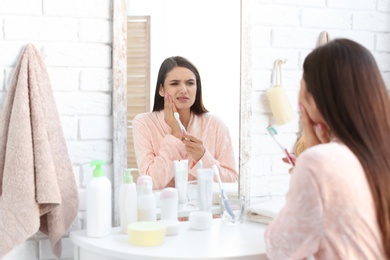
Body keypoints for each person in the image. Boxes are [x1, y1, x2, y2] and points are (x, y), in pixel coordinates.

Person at [265, 39, 389, 259]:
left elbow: (281, 249)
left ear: (314, 101)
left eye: (301, 89)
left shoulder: (320, 162)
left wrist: (308, 162)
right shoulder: (378, 153)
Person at [132, 56, 238, 190]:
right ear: (161, 89)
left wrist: (203, 157)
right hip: (163, 207)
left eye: (190, 83)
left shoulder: (215, 124)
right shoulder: (143, 123)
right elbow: (151, 182)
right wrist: (175, 135)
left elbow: (232, 181)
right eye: (174, 83)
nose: (183, 89)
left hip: (205, 209)